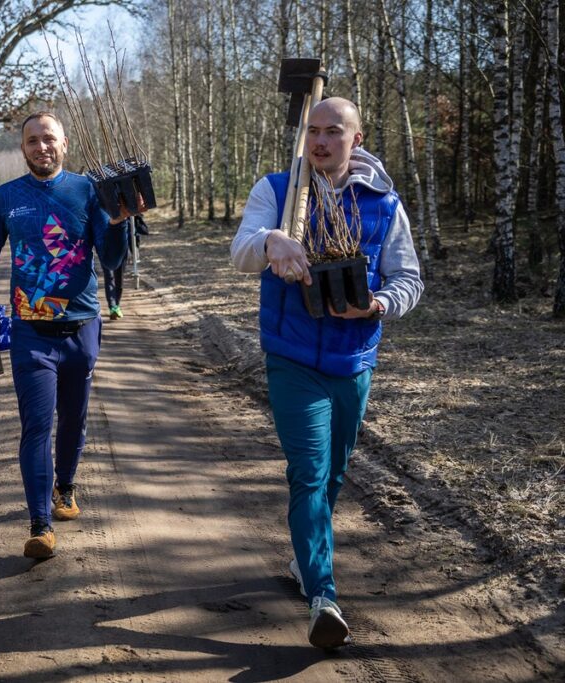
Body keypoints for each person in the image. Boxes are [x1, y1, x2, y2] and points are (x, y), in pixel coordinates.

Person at [230, 97, 423, 649]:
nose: (319, 141)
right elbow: (240, 250)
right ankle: (323, 595)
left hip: (353, 359)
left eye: (332, 131)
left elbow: (408, 277)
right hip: (291, 355)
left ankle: (304, 555)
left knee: (334, 473)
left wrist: (379, 304)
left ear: (355, 139)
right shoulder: (278, 190)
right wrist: (273, 242)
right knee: (309, 472)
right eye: (312, 131)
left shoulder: (384, 204)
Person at [0, 111, 134, 559]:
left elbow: (111, 261)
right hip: (31, 331)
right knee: (37, 425)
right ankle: (39, 523)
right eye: (33, 140)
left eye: (49, 139)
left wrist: (121, 220)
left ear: (64, 143)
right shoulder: (6, 198)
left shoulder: (87, 191)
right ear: (23, 148)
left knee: (73, 420)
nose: (41, 147)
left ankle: (65, 486)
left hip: (83, 327)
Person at [101, 213, 148, 320]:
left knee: (118, 278)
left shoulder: (127, 207)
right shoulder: (102, 206)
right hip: (106, 247)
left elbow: (134, 229)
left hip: (123, 247)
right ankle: (113, 306)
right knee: (109, 277)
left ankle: (116, 305)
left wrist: (135, 248)